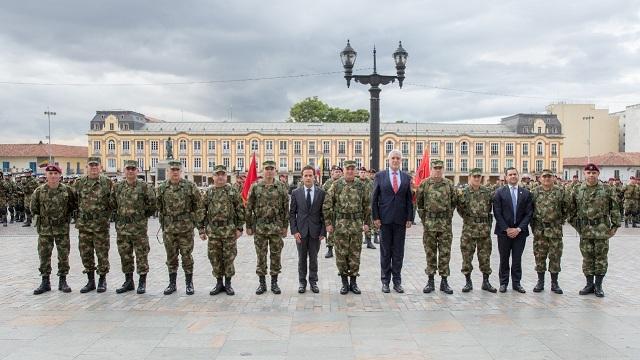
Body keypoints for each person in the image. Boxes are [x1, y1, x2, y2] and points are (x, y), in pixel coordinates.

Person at [568, 163, 620, 297]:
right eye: (588, 173)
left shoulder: (607, 189)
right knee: (587, 257)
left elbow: (614, 207)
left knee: (601, 257)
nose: (591, 175)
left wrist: (614, 226)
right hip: (585, 229)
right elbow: (571, 210)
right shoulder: (578, 189)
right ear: (584, 174)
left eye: (594, 173)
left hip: (602, 228)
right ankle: (589, 284)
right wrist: (576, 226)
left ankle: (598, 286)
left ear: (598, 174)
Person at [324, 160, 370, 295]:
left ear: (354, 170)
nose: (350, 171)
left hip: (356, 226)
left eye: (352, 169)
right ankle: (344, 282)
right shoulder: (336, 185)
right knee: (341, 255)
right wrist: (328, 223)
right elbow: (327, 204)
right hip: (340, 226)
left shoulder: (361, 186)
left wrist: (367, 223)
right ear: (344, 170)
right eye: (347, 169)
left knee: (355, 255)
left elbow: (367, 205)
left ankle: (354, 282)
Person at [157, 160, 203, 295]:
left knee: (187, 256)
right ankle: (172, 284)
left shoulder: (190, 186)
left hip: (186, 229)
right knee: (171, 257)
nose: (175, 172)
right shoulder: (162, 188)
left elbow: (198, 206)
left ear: (180, 171)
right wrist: (164, 224)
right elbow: (159, 206)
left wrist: (199, 226)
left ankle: (189, 283)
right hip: (169, 230)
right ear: (168, 172)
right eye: (172, 170)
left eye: (177, 170)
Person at [111, 160, 156, 294]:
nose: (130, 171)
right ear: (124, 171)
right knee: (125, 255)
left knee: (141, 254)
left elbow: (152, 205)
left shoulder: (144, 187)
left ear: (137, 171)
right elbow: (113, 203)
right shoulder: (118, 187)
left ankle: (142, 282)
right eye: (128, 169)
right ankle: (128, 281)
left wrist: (140, 216)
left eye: (133, 169)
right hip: (122, 228)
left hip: (139, 228)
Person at [198, 165, 245, 296]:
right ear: (213, 177)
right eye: (217, 174)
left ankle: (228, 284)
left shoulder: (232, 191)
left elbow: (240, 209)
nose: (220, 177)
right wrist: (201, 229)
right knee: (215, 257)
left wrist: (240, 228)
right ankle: (219, 283)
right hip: (213, 231)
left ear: (226, 176)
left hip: (229, 230)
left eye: (222, 174)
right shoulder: (209, 192)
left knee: (229, 257)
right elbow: (202, 210)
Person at [371, 150, 413, 294]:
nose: (395, 160)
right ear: (388, 160)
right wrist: (375, 217)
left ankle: (397, 281)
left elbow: (409, 200)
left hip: (400, 221)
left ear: (401, 161)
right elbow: (374, 198)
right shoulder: (380, 176)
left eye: (398, 158)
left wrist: (409, 218)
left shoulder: (406, 178)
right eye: (393, 158)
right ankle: (385, 282)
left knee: (398, 252)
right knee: (385, 252)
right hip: (384, 220)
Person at [31, 164, 77, 294]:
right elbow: (33, 208)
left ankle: (63, 281)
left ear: (59, 175)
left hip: (62, 228)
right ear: (46, 175)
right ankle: (45, 282)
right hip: (45, 230)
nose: (53, 176)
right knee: (44, 255)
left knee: (63, 255)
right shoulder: (39, 191)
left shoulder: (68, 191)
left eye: (55, 174)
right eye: (50, 174)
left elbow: (73, 206)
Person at [246, 160, 289, 295]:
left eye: (272, 168)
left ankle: (274, 283)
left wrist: (285, 226)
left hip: (276, 227)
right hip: (260, 227)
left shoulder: (281, 187)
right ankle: (262, 283)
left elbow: (285, 208)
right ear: (262, 171)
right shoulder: (256, 187)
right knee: (261, 256)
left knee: (276, 256)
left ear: (275, 170)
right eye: (267, 168)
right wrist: (248, 225)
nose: (269, 171)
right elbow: (249, 207)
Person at [416, 159, 457, 294]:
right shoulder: (424, 184)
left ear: (443, 169)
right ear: (431, 169)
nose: (438, 171)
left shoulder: (449, 184)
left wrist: (448, 217)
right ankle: (430, 280)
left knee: (445, 253)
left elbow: (454, 202)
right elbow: (420, 204)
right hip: (430, 225)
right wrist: (426, 220)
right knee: (430, 252)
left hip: (445, 225)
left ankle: (444, 281)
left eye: (440, 168)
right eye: (435, 168)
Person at [75, 157, 113, 293]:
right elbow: (74, 202)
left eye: (96, 165)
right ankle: (90, 281)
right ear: (87, 167)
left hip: (100, 225)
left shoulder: (107, 183)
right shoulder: (79, 183)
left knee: (102, 253)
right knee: (86, 253)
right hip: (84, 225)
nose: (93, 168)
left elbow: (112, 202)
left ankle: (102, 280)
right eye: (91, 166)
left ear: (100, 167)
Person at [456, 168, 497, 293]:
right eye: (475, 176)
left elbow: (490, 208)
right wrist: (470, 219)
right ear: (470, 177)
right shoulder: (464, 192)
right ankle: (468, 282)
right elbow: (460, 209)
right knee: (467, 256)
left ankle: (486, 282)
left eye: (479, 176)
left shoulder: (487, 192)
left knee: (485, 257)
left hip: (484, 229)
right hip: (469, 229)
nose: (477, 178)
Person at [493, 167, 533, 293]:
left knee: (517, 259)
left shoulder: (525, 193)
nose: (513, 176)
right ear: (506, 177)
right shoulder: (499, 192)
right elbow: (497, 212)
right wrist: (506, 228)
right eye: (510, 175)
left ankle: (516, 283)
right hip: (504, 232)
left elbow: (529, 213)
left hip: (520, 233)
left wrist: (519, 228)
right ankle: (503, 283)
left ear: (518, 176)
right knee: (504, 258)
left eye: (515, 174)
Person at [530, 169, 568, 294]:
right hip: (539, 230)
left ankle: (554, 283)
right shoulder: (534, 192)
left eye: (549, 176)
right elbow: (530, 210)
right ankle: (540, 282)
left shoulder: (560, 191)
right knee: (539, 256)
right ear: (540, 178)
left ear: (553, 178)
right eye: (544, 176)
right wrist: (534, 226)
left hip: (555, 230)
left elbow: (566, 208)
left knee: (555, 256)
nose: (546, 178)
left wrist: (559, 221)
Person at [289, 165, 326, 294]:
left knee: (314, 259)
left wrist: (323, 231)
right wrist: (294, 231)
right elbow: (292, 213)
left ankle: (313, 282)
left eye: (311, 175)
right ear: (302, 177)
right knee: (302, 258)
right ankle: (302, 283)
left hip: (315, 232)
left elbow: (324, 214)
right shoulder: (295, 193)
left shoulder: (321, 193)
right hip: (301, 232)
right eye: (306, 175)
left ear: (314, 177)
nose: (308, 178)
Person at [322, 165, 342, 258]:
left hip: (341, 212)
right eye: (336, 172)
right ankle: (330, 249)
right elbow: (323, 198)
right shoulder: (327, 184)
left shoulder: (343, 183)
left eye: (339, 172)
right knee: (331, 231)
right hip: (331, 211)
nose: (338, 173)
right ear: (332, 173)